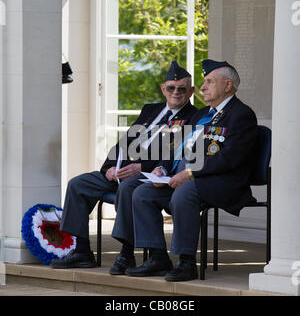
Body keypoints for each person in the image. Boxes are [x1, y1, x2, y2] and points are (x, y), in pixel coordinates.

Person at [50, 61, 197, 269]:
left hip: (148, 175)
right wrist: (109, 168)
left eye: (182, 89)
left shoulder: (193, 117)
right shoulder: (150, 110)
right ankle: (82, 251)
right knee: (78, 184)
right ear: (163, 89)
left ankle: (126, 253)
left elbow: (174, 153)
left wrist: (142, 168)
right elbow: (124, 143)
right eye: (171, 88)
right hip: (119, 171)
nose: (176, 93)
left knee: (129, 188)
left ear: (190, 91)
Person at [124, 59, 258, 281]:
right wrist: (161, 169)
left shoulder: (241, 114)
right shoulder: (202, 113)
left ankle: (186, 262)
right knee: (142, 193)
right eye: (204, 82)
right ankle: (158, 257)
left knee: (185, 193)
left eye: (208, 82)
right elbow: (176, 147)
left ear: (227, 85)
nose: (203, 87)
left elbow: (229, 158)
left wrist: (191, 173)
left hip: (220, 181)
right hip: (186, 178)